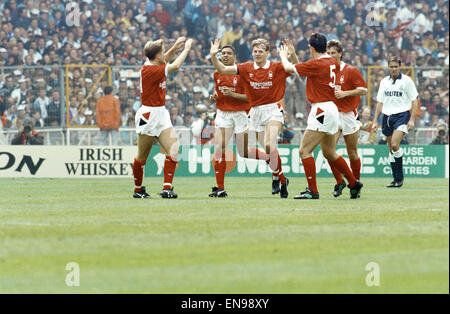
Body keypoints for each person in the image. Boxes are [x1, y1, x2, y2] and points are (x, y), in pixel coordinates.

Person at [278, 33, 363, 199]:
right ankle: (353, 183)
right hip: (332, 108)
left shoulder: (318, 63)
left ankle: (313, 191)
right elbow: (305, 70)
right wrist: (294, 56)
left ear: (311, 48)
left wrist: (283, 55)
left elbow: (289, 69)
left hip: (322, 109)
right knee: (330, 152)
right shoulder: (331, 62)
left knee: (304, 150)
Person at [210, 38, 296, 198]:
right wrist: (213, 55)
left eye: (260, 51)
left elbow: (295, 69)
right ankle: (281, 178)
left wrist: (291, 54)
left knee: (268, 145)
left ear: (267, 53)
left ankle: (278, 176)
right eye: (255, 51)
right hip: (253, 113)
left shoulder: (275, 66)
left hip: (266, 110)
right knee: (227, 149)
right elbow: (221, 70)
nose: (257, 53)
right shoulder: (243, 68)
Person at [132, 36, 193, 199]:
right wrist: (186, 48)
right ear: (157, 55)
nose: (164, 53)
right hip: (148, 115)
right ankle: (138, 190)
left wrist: (174, 47)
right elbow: (175, 65)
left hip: (161, 113)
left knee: (174, 149)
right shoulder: (150, 70)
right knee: (142, 157)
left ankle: (167, 188)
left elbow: (165, 59)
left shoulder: (154, 63)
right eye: (163, 51)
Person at [326, 40, 368, 197]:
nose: (330, 56)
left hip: (349, 114)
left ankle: (355, 184)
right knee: (329, 151)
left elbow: (363, 90)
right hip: (333, 114)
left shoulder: (350, 70)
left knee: (352, 152)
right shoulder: (326, 71)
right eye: (328, 53)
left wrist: (345, 93)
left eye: (333, 53)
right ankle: (339, 181)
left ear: (340, 53)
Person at [208, 45, 251, 197]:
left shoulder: (242, 73)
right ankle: (220, 188)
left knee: (243, 152)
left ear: (235, 57)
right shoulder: (217, 73)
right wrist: (215, 97)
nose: (225, 56)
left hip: (240, 114)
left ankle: (267, 158)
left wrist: (232, 95)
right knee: (219, 148)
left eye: (228, 53)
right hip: (223, 114)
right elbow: (219, 93)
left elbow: (250, 98)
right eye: (223, 53)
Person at [372, 56, 419, 188]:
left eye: (396, 66)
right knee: (391, 149)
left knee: (394, 144)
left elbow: (414, 100)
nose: (393, 69)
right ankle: (395, 179)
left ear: (400, 67)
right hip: (387, 117)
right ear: (388, 67)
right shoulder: (384, 82)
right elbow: (380, 102)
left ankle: (400, 177)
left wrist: (412, 120)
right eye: (391, 67)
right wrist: (375, 120)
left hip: (402, 115)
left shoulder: (406, 81)